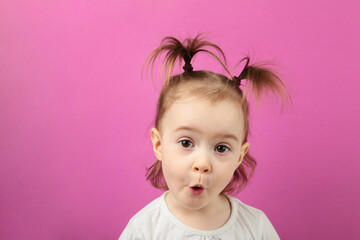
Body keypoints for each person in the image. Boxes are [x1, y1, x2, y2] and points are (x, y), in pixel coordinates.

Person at [119, 34, 291, 240]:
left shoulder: (255, 227)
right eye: (186, 143)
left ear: (239, 155)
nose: (202, 163)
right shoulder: (144, 229)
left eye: (221, 148)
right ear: (159, 145)